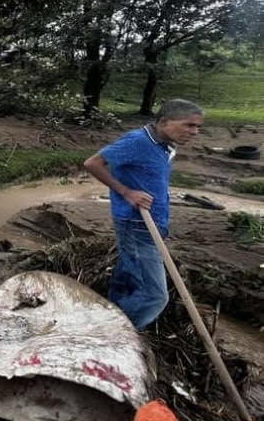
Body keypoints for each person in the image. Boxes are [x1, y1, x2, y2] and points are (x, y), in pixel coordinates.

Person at [83, 99, 204, 330]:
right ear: (165, 121)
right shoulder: (138, 141)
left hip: (151, 223)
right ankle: (111, 334)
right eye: (189, 125)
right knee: (155, 296)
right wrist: (126, 192)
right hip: (137, 224)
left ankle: (110, 313)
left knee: (126, 280)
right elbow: (93, 163)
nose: (194, 132)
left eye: (198, 127)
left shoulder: (164, 145)